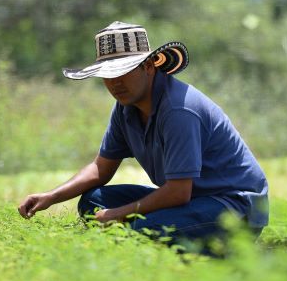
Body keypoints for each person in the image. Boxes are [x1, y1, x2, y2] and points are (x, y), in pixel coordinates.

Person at [18, 21, 269, 242]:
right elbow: (100, 169)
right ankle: (151, 234)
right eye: (107, 75)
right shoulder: (125, 108)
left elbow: (179, 192)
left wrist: (119, 214)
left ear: (148, 66)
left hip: (235, 206)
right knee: (93, 200)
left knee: (143, 229)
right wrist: (51, 197)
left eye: (123, 71)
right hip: (192, 201)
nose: (115, 83)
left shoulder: (179, 110)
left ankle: (215, 246)